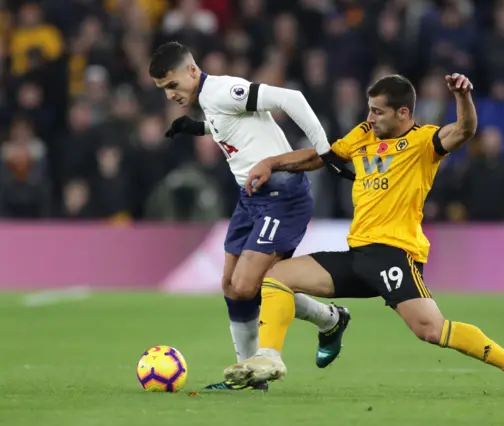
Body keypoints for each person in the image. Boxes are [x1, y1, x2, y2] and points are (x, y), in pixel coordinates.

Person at [223, 74, 504, 397]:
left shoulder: (423, 143)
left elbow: (464, 129)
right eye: (369, 109)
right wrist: (272, 163)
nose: (370, 116)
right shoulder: (364, 134)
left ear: (403, 113)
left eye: (378, 111)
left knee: (431, 330)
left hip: (395, 255)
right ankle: (269, 356)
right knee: (276, 277)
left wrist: (462, 96)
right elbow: (321, 157)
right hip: (358, 254)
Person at [148, 42, 353, 391]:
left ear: (192, 71)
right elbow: (232, 127)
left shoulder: (223, 89)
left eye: (172, 85)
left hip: (282, 196)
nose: (170, 95)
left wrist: (325, 150)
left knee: (247, 285)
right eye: (164, 90)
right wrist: (196, 128)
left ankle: (330, 319)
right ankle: (247, 377)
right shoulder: (210, 101)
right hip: (252, 197)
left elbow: (292, 99)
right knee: (232, 287)